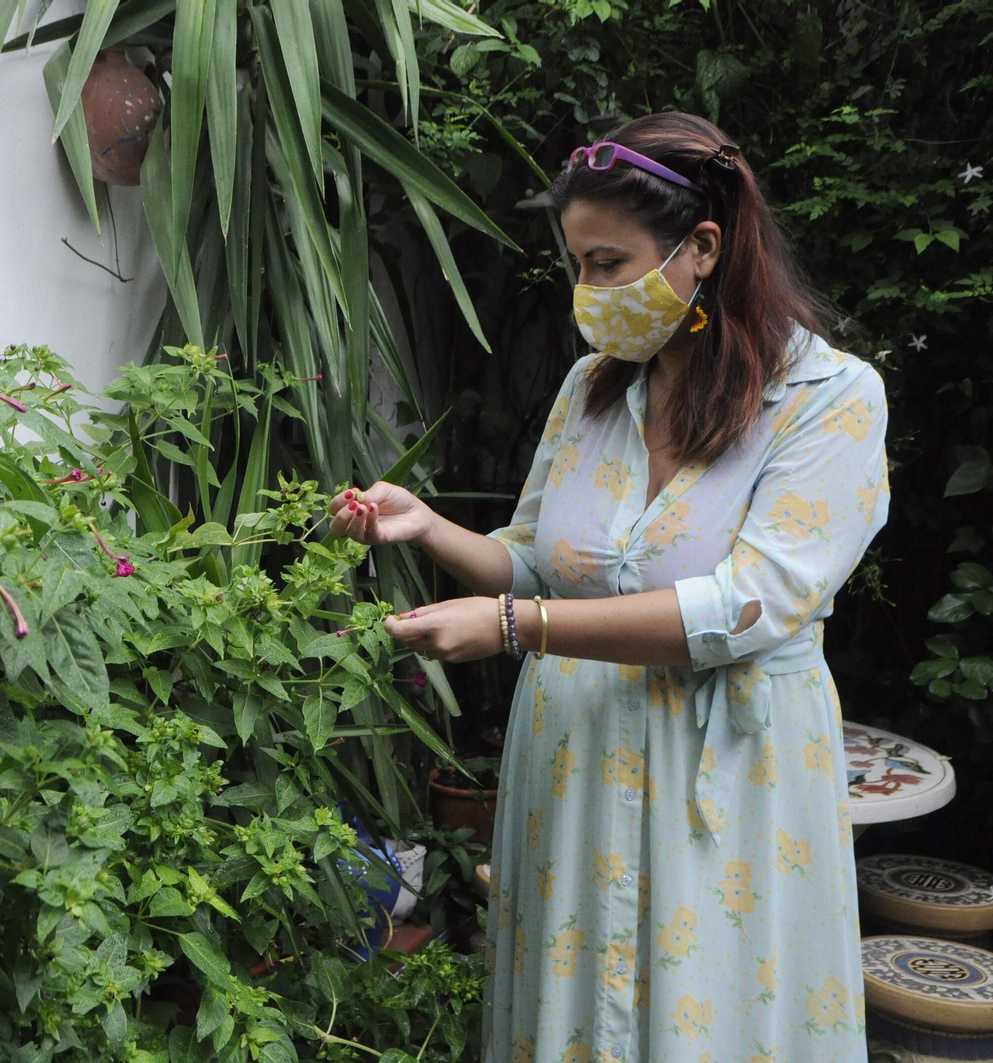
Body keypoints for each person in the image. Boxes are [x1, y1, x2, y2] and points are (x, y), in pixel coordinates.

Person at [328, 112, 889, 1062]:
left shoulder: (831, 400)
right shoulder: (596, 386)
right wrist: (426, 526)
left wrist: (516, 628)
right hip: (575, 768)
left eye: (608, 263)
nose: (587, 292)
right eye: (577, 266)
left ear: (702, 247)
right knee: (579, 1009)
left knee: (709, 1012)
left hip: (725, 776)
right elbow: (544, 560)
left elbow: (748, 604)